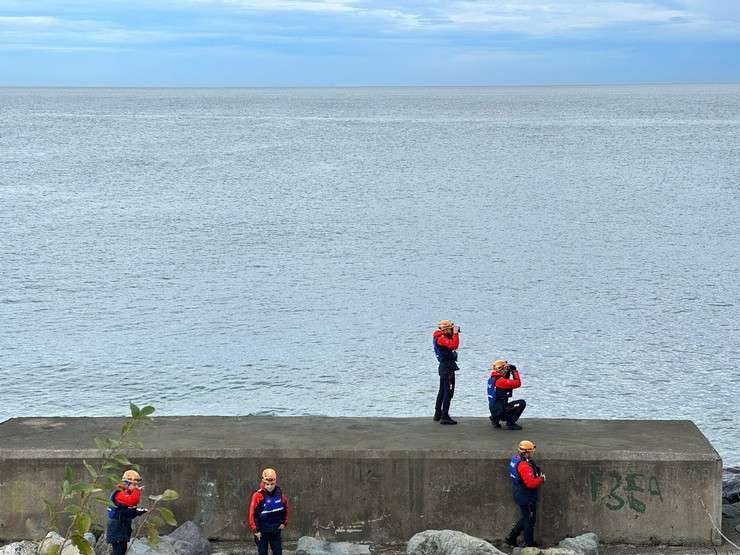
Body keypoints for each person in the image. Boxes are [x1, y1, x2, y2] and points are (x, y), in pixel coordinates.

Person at [505, 440, 545, 548]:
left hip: (520, 493)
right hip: (526, 496)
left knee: (527, 518)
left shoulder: (516, 459)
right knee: (529, 521)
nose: (533, 453)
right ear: (526, 452)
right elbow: (531, 483)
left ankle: (512, 537)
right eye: (531, 451)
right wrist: (541, 479)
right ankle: (529, 544)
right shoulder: (523, 466)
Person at [248, 468, 290, 555]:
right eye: (267, 484)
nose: (269, 486)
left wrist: (284, 523)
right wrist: (256, 530)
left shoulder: (280, 494)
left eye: (272, 484)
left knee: (278, 552)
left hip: (275, 530)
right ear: (263, 482)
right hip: (262, 532)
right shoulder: (258, 496)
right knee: (263, 552)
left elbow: (285, 508)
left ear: (275, 482)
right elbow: (252, 514)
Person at [106, 469, 147, 555]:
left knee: (121, 550)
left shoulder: (124, 493)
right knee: (118, 551)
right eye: (134, 484)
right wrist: (137, 491)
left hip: (122, 529)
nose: (135, 486)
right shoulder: (119, 494)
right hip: (117, 530)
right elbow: (132, 501)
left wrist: (137, 512)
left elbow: (127, 512)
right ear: (128, 483)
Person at [432, 319, 460, 425]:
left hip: (444, 366)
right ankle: (445, 416)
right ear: (446, 329)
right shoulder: (441, 338)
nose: (452, 330)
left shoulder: (438, 337)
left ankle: (438, 413)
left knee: (442, 391)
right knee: (448, 392)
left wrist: (452, 334)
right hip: (447, 367)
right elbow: (454, 345)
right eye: (451, 329)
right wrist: (456, 334)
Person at [487, 360, 526, 430]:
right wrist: (514, 371)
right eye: (505, 368)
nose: (506, 369)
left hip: (494, 411)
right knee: (522, 403)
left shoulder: (492, 379)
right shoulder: (501, 381)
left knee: (500, 403)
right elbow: (517, 383)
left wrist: (507, 372)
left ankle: (495, 419)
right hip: (501, 411)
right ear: (501, 369)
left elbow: (504, 383)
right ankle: (510, 423)